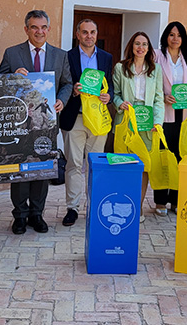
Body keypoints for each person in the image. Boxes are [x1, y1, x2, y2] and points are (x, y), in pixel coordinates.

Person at [0, 10, 73, 234]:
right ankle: (19, 215)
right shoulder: (12, 53)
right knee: (21, 167)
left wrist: (61, 99)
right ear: (26, 29)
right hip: (20, 123)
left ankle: (37, 214)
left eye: (43, 27)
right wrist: (12, 76)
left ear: (49, 29)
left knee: (42, 167)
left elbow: (67, 83)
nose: (39, 31)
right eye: (34, 27)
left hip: (48, 123)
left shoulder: (60, 55)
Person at [58, 19, 113, 227]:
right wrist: (73, 91)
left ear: (97, 34)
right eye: (84, 32)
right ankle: (72, 208)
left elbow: (111, 85)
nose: (89, 36)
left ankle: (94, 207)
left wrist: (108, 96)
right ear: (77, 34)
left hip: (98, 119)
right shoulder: (67, 56)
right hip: (75, 118)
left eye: (92, 32)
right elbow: (62, 83)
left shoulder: (106, 58)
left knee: (96, 165)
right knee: (73, 164)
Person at [113, 32, 164, 222]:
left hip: (147, 122)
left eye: (144, 44)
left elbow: (159, 98)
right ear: (131, 46)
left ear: (149, 48)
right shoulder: (120, 67)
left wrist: (158, 121)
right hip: (127, 119)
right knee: (125, 164)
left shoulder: (156, 69)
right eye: (137, 44)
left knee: (143, 166)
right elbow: (115, 93)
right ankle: (123, 204)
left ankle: (139, 207)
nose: (140, 47)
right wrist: (120, 103)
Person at [153, 22, 187, 216]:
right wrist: (162, 95)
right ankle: (161, 200)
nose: (175, 38)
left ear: (183, 38)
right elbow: (150, 81)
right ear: (166, 37)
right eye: (171, 34)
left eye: (179, 35)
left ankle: (176, 200)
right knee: (163, 157)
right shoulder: (156, 55)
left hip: (183, 115)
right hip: (164, 113)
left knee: (181, 157)